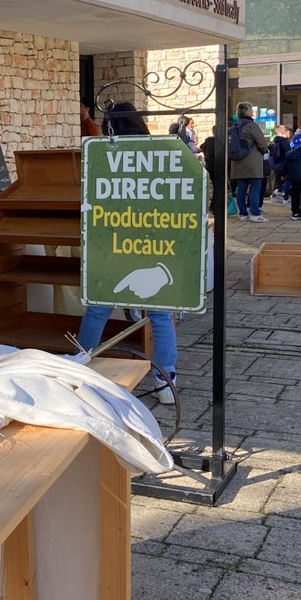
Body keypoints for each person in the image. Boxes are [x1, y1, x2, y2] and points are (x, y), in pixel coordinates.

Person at [77, 102, 179, 404]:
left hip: (113, 239)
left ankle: (80, 363)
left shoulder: (102, 154)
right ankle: (165, 380)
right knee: (161, 314)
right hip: (152, 239)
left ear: (110, 125)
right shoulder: (160, 153)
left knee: (98, 306)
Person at [229, 102, 268, 222]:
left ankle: (243, 213)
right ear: (248, 112)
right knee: (255, 188)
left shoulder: (235, 126)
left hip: (238, 162)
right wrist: (263, 150)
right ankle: (255, 213)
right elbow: (262, 142)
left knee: (241, 188)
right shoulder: (252, 125)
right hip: (252, 162)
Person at [283, 132, 301, 220]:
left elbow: (285, 166)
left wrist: (285, 175)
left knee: (294, 195)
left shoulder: (289, 154)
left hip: (293, 178)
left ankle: (295, 212)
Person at [268, 125, 291, 201]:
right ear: (286, 132)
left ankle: (275, 197)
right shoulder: (285, 142)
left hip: (275, 164)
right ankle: (282, 196)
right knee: (285, 181)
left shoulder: (274, 141)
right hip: (283, 165)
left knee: (277, 180)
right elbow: (287, 155)